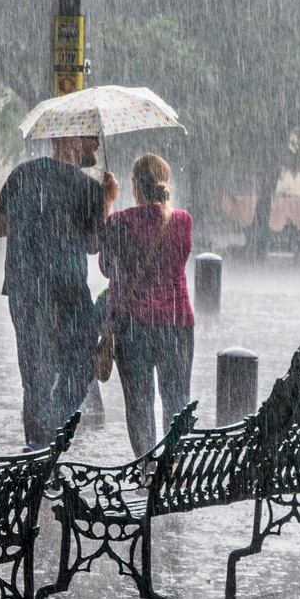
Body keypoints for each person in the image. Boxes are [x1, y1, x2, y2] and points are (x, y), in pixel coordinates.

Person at [0, 134, 116, 449]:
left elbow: (1, 226)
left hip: (25, 288)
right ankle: (48, 432)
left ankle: (36, 446)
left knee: (35, 376)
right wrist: (107, 202)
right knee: (81, 364)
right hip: (68, 290)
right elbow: (93, 245)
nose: (95, 146)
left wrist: (34, 224)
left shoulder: (22, 174)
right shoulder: (89, 188)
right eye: (91, 139)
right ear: (72, 140)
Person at [101, 153, 194, 457]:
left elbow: (105, 267)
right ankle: (174, 466)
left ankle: (147, 469)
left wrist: (108, 203)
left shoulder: (119, 222)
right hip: (177, 324)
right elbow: (177, 260)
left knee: (140, 403)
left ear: (135, 187)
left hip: (133, 327)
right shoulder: (182, 221)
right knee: (177, 399)